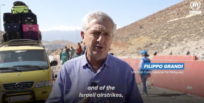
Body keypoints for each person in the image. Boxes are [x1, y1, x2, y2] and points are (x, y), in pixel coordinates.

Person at [46, 11, 143, 103]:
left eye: (106, 34)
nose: (101, 40)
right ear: (83, 36)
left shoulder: (125, 71)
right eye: (95, 33)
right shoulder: (67, 70)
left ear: (112, 38)